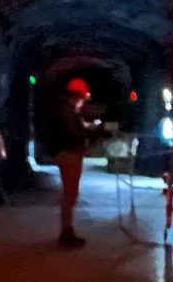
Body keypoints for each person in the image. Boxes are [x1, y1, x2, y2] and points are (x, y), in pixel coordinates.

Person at [53, 77, 107, 248]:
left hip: (68, 154)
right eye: (82, 99)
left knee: (69, 193)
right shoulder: (67, 112)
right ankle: (66, 232)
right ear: (76, 96)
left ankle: (67, 230)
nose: (83, 103)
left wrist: (85, 126)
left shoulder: (67, 110)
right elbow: (74, 133)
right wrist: (90, 131)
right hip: (70, 154)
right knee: (70, 193)